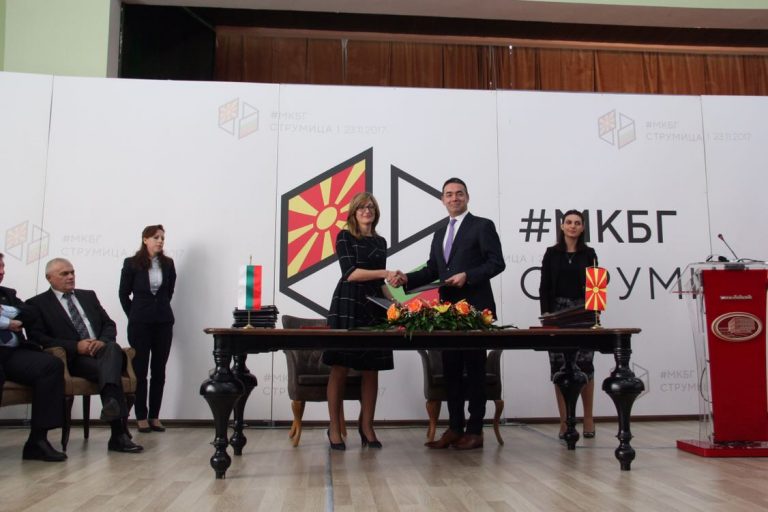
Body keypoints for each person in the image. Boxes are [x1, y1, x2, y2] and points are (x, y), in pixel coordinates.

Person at [396, 177, 505, 450]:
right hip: (446, 313)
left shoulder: (482, 226)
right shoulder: (439, 233)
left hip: (475, 311)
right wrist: (406, 278)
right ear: (442, 199)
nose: (454, 198)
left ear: (467, 197)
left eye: (459, 193)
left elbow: (496, 263)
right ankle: (455, 428)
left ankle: (475, 431)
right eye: (449, 194)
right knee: (451, 370)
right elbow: (433, 270)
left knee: (475, 370)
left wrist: (468, 275)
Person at [26, 258, 143, 453]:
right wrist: (75, 346)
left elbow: (109, 324)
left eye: (72, 272)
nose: (71, 277)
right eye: (64, 273)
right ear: (49, 278)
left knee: (112, 348)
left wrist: (102, 341)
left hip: (104, 352)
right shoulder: (37, 304)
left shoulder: (88, 296)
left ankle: (115, 421)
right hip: (74, 360)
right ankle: (118, 435)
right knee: (110, 372)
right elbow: (38, 337)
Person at [323, 192, 398, 451]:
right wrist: (385, 273)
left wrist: (394, 302)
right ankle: (334, 428)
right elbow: (351, 273)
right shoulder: (344, 236)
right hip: (348, 304)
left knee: (371, 368)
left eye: (371, 207)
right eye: (362, 207)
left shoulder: (380, 241)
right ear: (354, 212)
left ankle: (367, 426)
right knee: (339, 366)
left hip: (375, 306)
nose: (367, 211)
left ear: (376, 212)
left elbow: (380, 282)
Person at [0, 253, 67, 462]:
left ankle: (37, 441)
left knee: (50, 365)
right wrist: (7, 322)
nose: (2, 272)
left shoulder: (7, 293)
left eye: (3, 267)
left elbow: (30, 313)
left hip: (11, 352)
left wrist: (5, 311)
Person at [539, 209, 598, 439]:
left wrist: (595, 314)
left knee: (585, 366)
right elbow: (544, 286)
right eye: (569, 222)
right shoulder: (551, 253)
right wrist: (546, 316)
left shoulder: (589, 253)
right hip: (557, 313)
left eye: (577, 223)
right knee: (559, 367)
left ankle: (588, 418)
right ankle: (564, 421)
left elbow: (595, 285)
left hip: (584, 312)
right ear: (562, 226)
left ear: (582, 228)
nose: (573, 226)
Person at [119, 224, 176, 433]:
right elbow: (123, 294)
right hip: (139, 323)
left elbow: (169, 291)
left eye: (162, 238)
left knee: (159, 370)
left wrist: (158, 309)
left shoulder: (168, 264)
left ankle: (154, 416)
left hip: (163, 322)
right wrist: (135, 314)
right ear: (145, 239)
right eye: (156, 237)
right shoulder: (132, 263)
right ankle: (141, 416)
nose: (160, 241)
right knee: (140, 370)